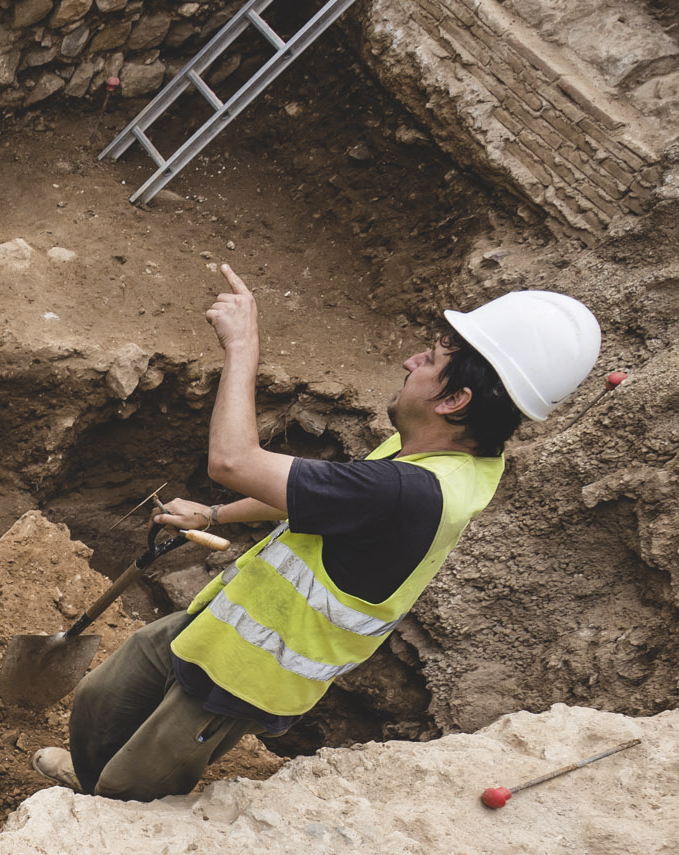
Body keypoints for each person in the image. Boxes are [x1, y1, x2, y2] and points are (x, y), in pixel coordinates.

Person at [36, 270, 602, 801]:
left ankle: (101, 814)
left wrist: (242, 347)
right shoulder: (445, 457)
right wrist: (214, 519)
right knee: (99, 699)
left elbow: (233, 460)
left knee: (137, 781)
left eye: (428, 361)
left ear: (453, 401)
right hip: (223, 620)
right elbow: (317, 492)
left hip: (251, 672)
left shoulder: (407, 490)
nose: (411, 361)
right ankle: (88, 779)